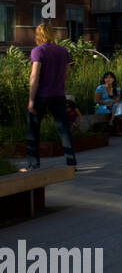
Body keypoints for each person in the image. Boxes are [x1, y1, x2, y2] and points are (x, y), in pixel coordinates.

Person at [22, 22, 76, 171]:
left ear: (38, 35)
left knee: (33, 129)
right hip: (58, 94)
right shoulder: (63, 51)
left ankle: (33, 164)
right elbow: (66, 74)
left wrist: (31, 100)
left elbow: (34, 76)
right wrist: (60, 88)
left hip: (42, 95)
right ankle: (71, 163)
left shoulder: (38, 51)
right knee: (64, 129)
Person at [94, 71, 122, 135]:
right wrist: (106, 103)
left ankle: (112, 122)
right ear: (104, 79)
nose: (108, 79)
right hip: (102, 105)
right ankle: (116, 128)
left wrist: (112, 103)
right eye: (106, 78)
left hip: (113, 104)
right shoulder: (100, 88)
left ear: (113, 79)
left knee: (118, 105)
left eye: (110, 77)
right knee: (116, 107)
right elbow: (96, 101)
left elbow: (118, 99)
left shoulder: (116, 88)